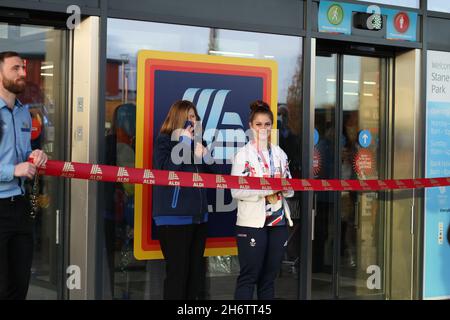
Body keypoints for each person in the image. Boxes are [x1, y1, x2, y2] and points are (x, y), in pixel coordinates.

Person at [152, 99, 216, 300]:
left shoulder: (200, 142)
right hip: (174, 219)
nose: (193, 120)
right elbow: (166, 171)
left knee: (195, 277)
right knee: (177, 276)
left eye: (195, 116)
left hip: (199, 218)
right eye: (189, 116)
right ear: (178, 117)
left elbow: (217, 175)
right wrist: (184, 143)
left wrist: (205, 156)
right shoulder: (164, 140)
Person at [231, 100, 294, 300]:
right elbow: (236, 191)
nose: (263, 129)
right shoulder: (243, 155)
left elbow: (291, 189)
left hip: (278, 223)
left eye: (267, 124)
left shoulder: (280, 154)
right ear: (251, 126)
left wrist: (283, 187)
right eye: (258, 124)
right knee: (249, 277)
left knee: (269, 278)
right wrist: (264, 189)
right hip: (252, 224)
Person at [0, 51, 48, 300]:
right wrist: (12, 170)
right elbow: (13, 166)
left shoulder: (22, 113)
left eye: (23, 68)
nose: (22, 73)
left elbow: (25, 154)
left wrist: (36, 156)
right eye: (15, 68)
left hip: (20, 206)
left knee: (19, 286)